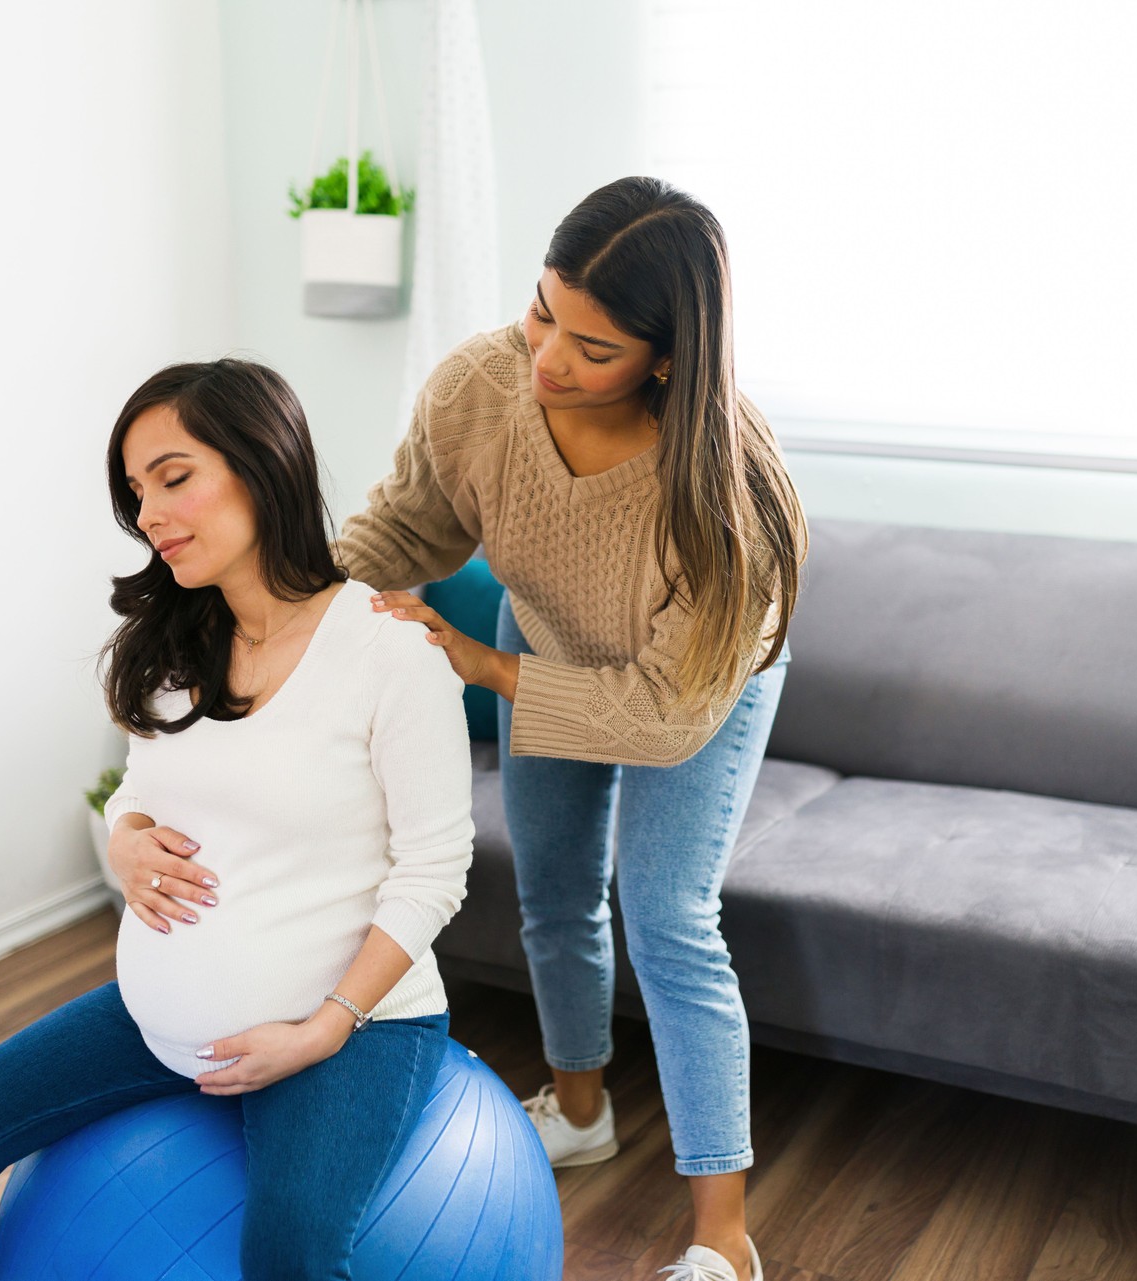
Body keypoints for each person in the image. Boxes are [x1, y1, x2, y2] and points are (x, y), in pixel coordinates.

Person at [0, 359, 474, 1281]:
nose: (148, 512)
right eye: (135, 490)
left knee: (290, 1256)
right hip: (155, 1017)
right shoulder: (176, 642)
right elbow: (141, 787)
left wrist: (322, 1027)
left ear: (262, 461)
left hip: (348, 1027)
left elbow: (436, 866)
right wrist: (124, 837)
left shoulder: (391, 650)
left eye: (173, 475)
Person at [332, 175, 807, 1281]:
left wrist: (483, 666)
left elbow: (654, 714)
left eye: (593, 348)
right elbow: (411, 524)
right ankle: (581, 1111)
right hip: (542, 634)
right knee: (550, 887)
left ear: (670, 357)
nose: (546, 357)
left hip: (695, 685)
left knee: (669, 916)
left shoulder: (734, 503)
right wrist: (290, 615)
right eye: (544, 310)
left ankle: (724, 1242)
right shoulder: (481, 387)